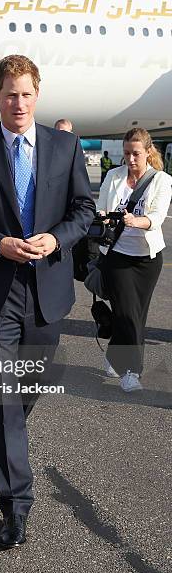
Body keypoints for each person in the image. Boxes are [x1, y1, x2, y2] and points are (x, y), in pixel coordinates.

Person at [0, 54, 95, 548]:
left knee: (29, 388)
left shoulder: (65, 146)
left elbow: (83, 209)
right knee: (4, 394)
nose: (19, 102)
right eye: (10, 94)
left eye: (27, 93)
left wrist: (56, 240)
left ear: (38, 94)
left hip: (48, 289)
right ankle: (16, 505)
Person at [97, 128, 172, 392]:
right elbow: (101, 207)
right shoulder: (113, 176)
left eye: (136, 154)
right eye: (127, 153)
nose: (130, 159)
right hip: (117, 255)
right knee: (127, 312)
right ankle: (131, 371)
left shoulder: (161, 180)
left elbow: (157, 217)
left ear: (148, 152)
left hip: (147, 260)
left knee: (135, 315)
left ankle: (114, 355)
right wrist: (105, 216)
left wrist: (134, 220)